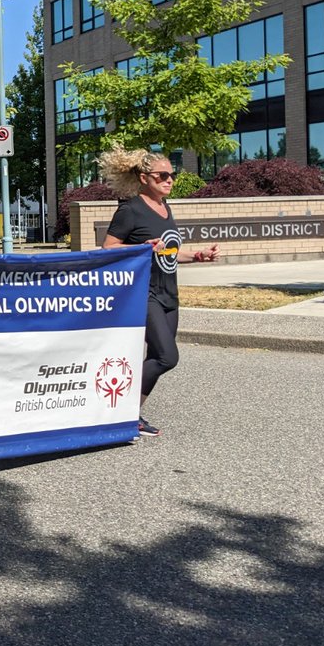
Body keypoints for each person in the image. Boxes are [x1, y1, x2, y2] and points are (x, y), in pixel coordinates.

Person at [98, 144, 219, 437]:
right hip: (144, 293)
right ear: (144, 178)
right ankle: (116, 409)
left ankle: (132, 416)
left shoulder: (165, 209)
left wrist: (198, 255)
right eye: (161, 175)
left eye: (171, 175)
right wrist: (141, 247)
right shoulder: (130, 210)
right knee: (167, 357)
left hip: (169, 294)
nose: (169, 180)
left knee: (156, 356)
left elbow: (169, 252)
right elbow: (108, 249)